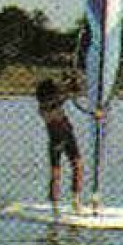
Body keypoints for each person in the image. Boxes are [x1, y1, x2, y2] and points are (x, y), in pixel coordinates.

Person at [35, 77, 85, 213]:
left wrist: (73, 85)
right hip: (56, 140)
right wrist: (68, 91)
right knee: (56, 173)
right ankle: (55, 204)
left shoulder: (56, 102)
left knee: (78, 166)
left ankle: (76, 200)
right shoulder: (44, 107)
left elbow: (65, 93)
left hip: (68, 136)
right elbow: (59, 100)